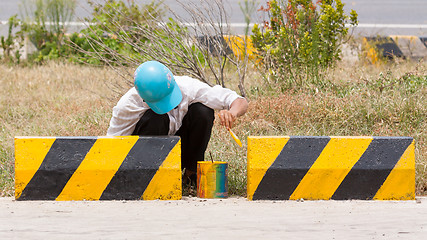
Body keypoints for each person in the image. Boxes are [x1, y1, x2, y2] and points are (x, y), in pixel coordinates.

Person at [107, 61, 248, 185]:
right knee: (155, 117)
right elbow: (112, 146)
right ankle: (151, 176)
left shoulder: (188, 87)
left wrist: (232, 113)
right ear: (143, 98)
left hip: (181, 147)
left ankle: (191, 173)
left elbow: (239, 101)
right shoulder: (127, 106)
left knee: (203, 111)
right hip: (146, 155)